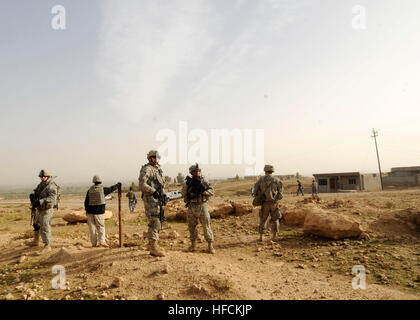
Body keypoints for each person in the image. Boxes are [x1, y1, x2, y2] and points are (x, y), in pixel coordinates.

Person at [182, 163, 215, 254]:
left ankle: (210, 246)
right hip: (191, 206)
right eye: (195, 171)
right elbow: (183, 194)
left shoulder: (204, 181)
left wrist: (204, 191)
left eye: (198, 171)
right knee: (192, 227)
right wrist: (189, 195)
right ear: (191, 172)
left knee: (206, 226)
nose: (197, 172)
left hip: (202, 205)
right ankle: (193, 246)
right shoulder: (188, 182)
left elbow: (212, 191)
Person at [138, 150, 166, 257]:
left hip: (157, 200)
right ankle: (153, 248)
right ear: (150, 158)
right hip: (151, 200)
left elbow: (160, 186)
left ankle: (152, 245)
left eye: (158, 158)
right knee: (154, 222)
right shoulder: (147, 169)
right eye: (154, 158)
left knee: (158, 221)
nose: (156, 160)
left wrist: (162, 194)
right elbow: (142, 184)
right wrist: (153, 192)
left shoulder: (157, 170)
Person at [84, 175, 120, 248]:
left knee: (92, 228)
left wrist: (87, 211)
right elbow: (111, 189)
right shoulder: (102, 189)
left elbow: (86, 202)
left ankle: (93, 244)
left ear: (93, 181)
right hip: (99, 212)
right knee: (101, 227)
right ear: (100, 181)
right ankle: (102, 241)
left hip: (90, 212)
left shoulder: (90, 190)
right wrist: (117, 185)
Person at [29, 170, 58, 255]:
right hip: (40, 208)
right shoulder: (40, 185)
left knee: (45, 226)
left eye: (44, 177)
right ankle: (36, 241)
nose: (42, 178)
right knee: (36, 224)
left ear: (48, 177)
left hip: (47, 209)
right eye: (41, 177)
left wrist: (41, 201)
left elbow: (53, 198)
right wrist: (33, 197)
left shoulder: (51, 186)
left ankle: (47, 246)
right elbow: (37, 194)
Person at [253, 165, 283, 242]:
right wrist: (275, 198)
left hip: (264, 203)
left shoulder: (261, 180)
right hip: (274, 203)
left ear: (265, 171)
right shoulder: (276, 180)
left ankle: (261, 237)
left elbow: (255, 191)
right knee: (275, 218)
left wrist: (260, 197)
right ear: (272, 171)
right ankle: (274, 236)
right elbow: (280, 194)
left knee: (263, 219)